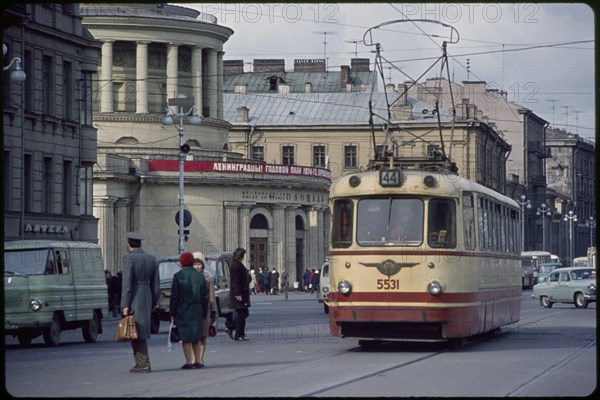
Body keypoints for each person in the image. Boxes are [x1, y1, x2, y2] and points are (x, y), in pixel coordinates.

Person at [121, 232, 159, 373]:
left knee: (136, 330)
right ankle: (141, 362)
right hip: (147, 294)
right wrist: (155, 300)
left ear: (129, 244)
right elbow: (156, 283)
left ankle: (143, 363)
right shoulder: (151, 258)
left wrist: (124, 305)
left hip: (135, 296)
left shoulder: (129, 258)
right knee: (139, 329)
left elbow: (127, 284)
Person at [170, 251, 208, 369]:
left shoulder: (178, 276)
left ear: (182, 262)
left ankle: (189, 361)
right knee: (196, 336)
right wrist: (205, 312)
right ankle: (198, 361)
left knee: (186, 337)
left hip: (183, 308)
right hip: (197, 308)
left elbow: (174, 296)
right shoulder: (200, 275)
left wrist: (172, 313)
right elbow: (205, 296)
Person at [192, 252, 217, 368]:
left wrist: (213, 310)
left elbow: (212, 296)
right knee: (193, 336)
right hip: (193, 310)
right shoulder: (189, 276)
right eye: (195, 264)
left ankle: (200, 358)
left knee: (203, 335)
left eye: (199, 264)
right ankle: (193, 358)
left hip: (205, 309)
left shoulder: (207, 277)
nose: (197, 266)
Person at [228, 248, 250, 341]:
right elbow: (235, 281)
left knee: (244, 313)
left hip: (242, 292)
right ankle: (239, 334)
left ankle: (231, 326)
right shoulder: (235, 266)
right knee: (241, 314)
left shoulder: (237, 264)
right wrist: (237, 294)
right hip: (239, 293)